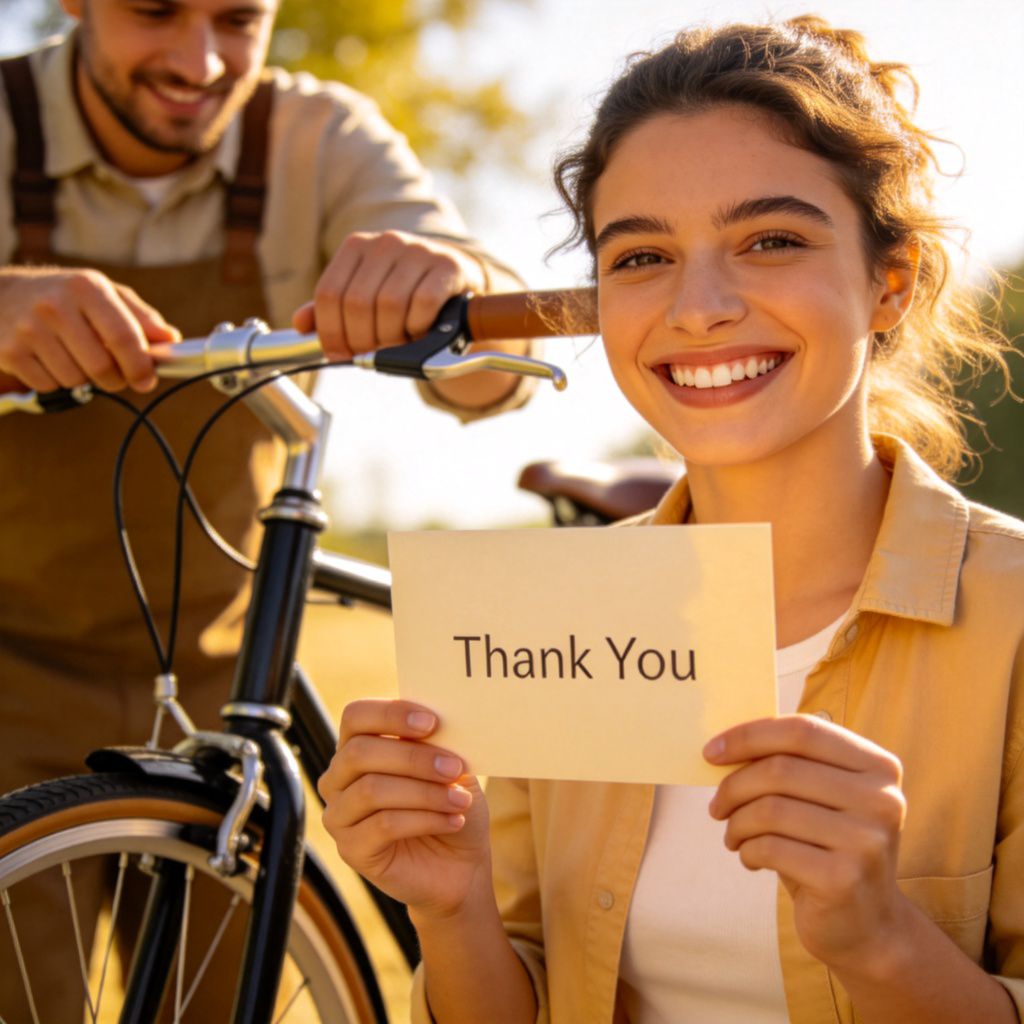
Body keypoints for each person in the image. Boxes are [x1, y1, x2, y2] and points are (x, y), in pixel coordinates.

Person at [320, 14, 1024, 1024]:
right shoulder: (548, 617)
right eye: (641, 256)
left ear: (890, 282)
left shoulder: (1009, 616)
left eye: (770, 240)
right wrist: (454, 908)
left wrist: (880, 941)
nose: (697, 307)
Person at [0, 0, 533, 1017]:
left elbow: (497, 366)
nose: (199, 59)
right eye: (154, 11)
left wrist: (446, 284)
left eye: (238, 19)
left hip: (224, 673)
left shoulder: (319, 137)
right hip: (7, 673)